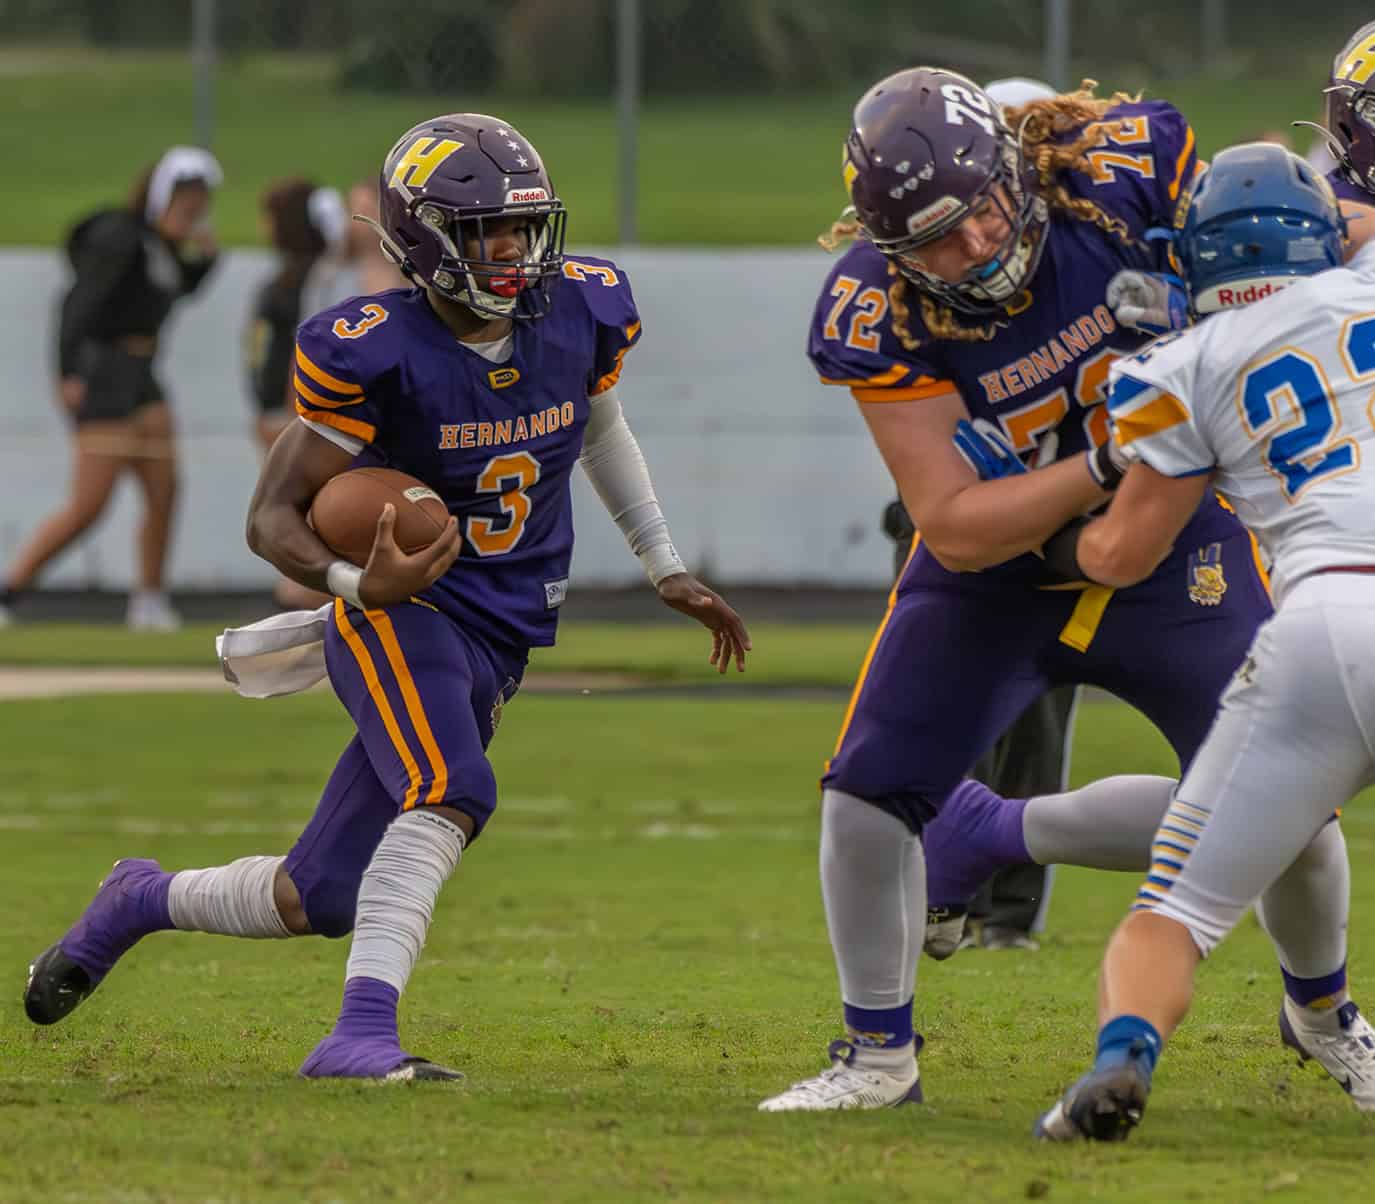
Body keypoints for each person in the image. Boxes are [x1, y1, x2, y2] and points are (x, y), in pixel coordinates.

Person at [23, 113, 752, 1082]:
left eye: (523, 227)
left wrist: (662, 561)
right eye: (485, 230)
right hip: (403, 613)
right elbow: (272, 514)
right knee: (450, 787)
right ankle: (359, 1035)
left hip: (502, 628)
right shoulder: (372, 347)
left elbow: (597, 425)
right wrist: (357, 582)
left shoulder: (579, 309)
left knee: (314, 894)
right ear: (423, 239)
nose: (512, 251)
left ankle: (134, 901)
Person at [758, 68, 1363, 1113]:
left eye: (986, 208)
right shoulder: (874, 308)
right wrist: (1104, 462)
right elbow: (948, 519)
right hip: (1002, 567)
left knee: (1299, 815)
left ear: (1015, 170)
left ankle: (1321, 1013)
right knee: (864, 796)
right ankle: (875, 1058)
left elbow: (1292, 225)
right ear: (890, 251)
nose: (977, 245)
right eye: (938, 239)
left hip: (1171, 546)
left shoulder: (1122, 172)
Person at [1036, 144, 1375, 1140]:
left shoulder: (1183, 362)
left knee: (1176, 910)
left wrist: (1057, 540)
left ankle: (1119, 1058)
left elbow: (1125, 554)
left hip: (1323, 628)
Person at [0, 147, 222, 630]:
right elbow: (77, 304)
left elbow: (174, 289)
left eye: (199, 204)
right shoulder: (121, 238)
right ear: (161, 196)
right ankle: (11, 590)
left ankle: (149, 599)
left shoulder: (160, 249)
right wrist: (67, 372)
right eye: (185, 202)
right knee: (89, 505)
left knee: (165, 491)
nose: (193, 212)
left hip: (144, 376)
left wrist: (205, 260)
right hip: (103, 374)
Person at [244, 178, 352, 608]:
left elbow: (299, 351)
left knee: (304, 511)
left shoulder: (311, 282)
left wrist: (290, 412)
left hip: (296, 415)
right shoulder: (291, 279)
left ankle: (304, 595)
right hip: (278, 409)